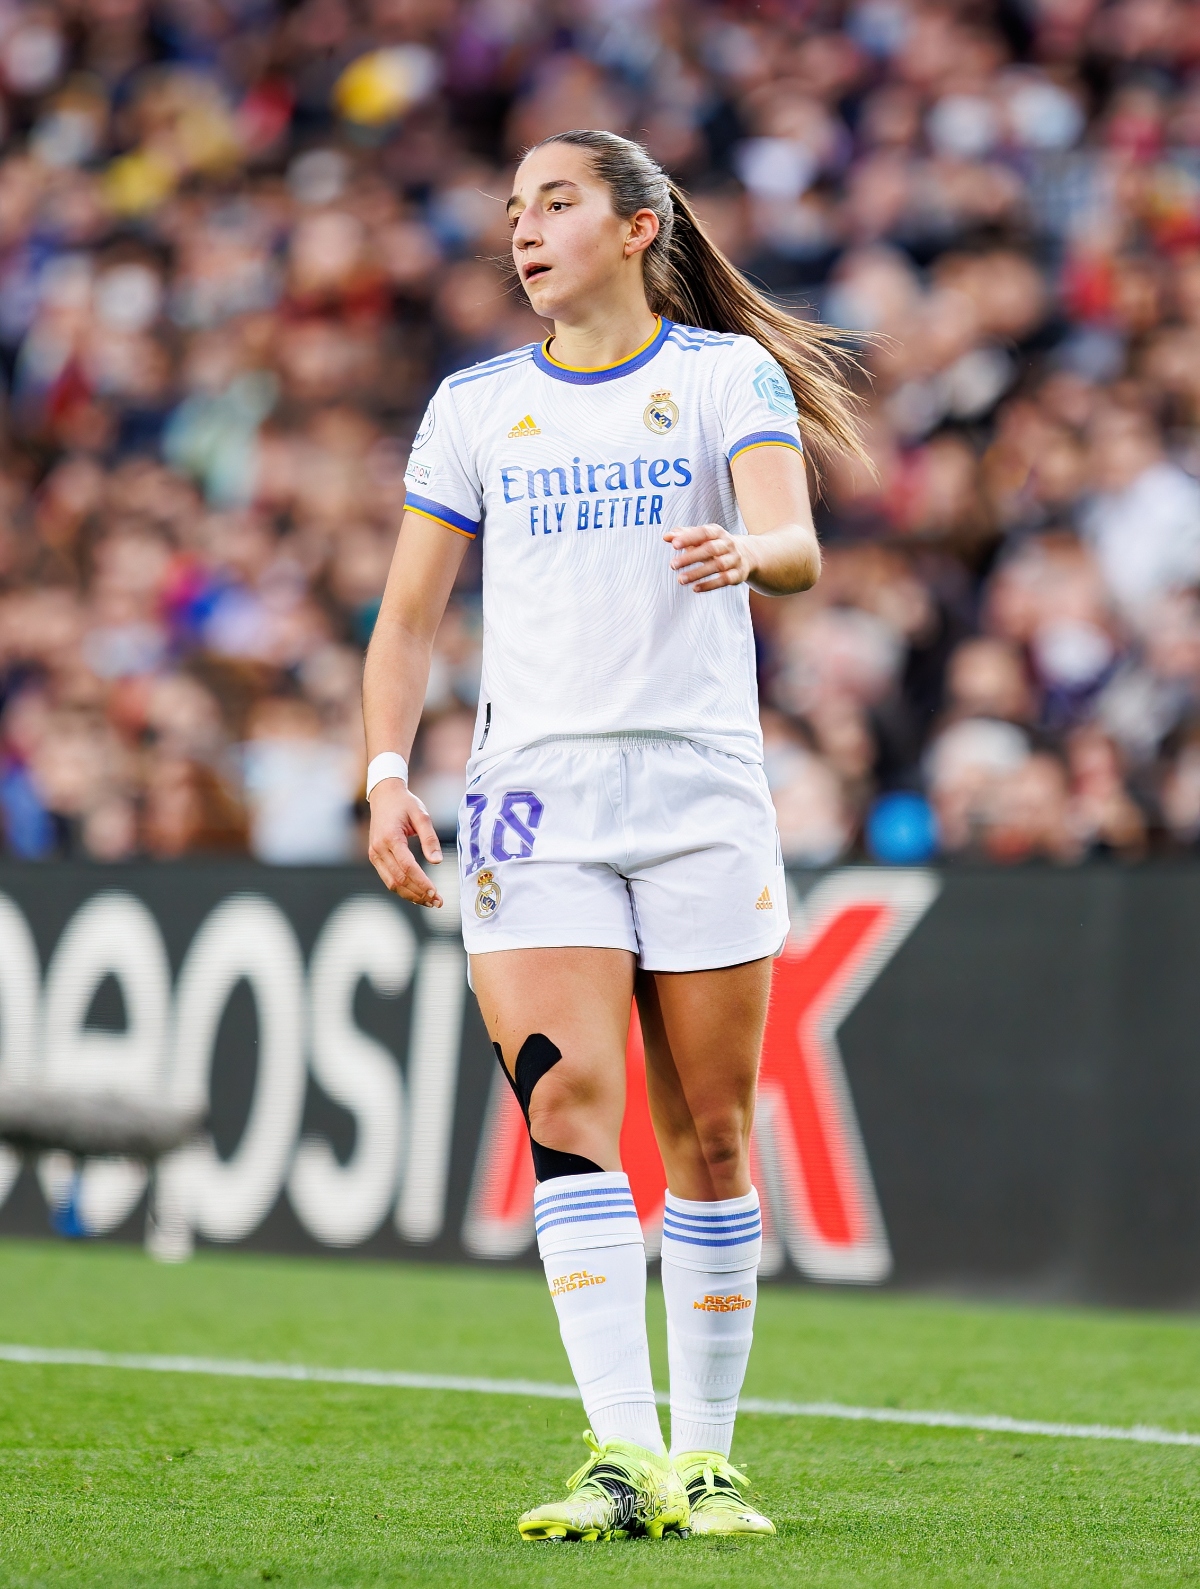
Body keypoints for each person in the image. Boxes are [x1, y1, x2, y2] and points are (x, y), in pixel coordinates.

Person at [362, 128, 864, 1543]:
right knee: (569, 1108)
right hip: (532, 797)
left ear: (640, 228)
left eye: (558, 201)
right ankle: (623, 1454)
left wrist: (746, 552)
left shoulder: (722, 377)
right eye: (515, 208)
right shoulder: (475, 407)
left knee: (711, 1129)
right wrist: (387, 771)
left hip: (699, 787)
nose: (524, 229)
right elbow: (405, 620)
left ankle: (708, 1460)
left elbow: (796, 545)